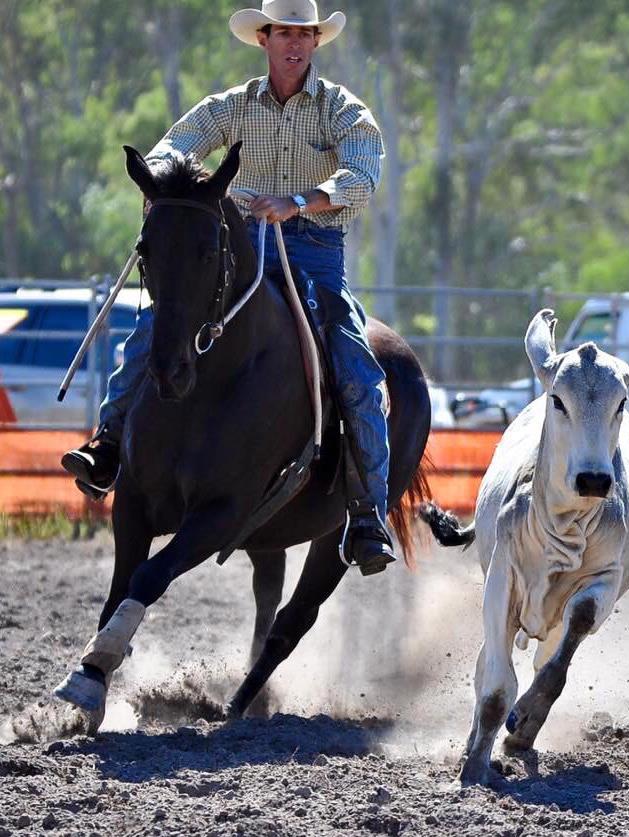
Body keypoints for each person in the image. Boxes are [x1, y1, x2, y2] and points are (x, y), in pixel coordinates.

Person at [62, 0, 396, 573]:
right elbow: (174, 146)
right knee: (157, 325)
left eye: (305, 34)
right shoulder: (231, 107)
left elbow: (362, 175)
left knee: (357, 371)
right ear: (264, 40)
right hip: (234, 248)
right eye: (284, 33)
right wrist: (171, 183)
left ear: (316, 42)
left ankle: (367, 511)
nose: (295, 43)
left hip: (313, 251)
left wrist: (297, 202)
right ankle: (110, 444)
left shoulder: (343, 110)